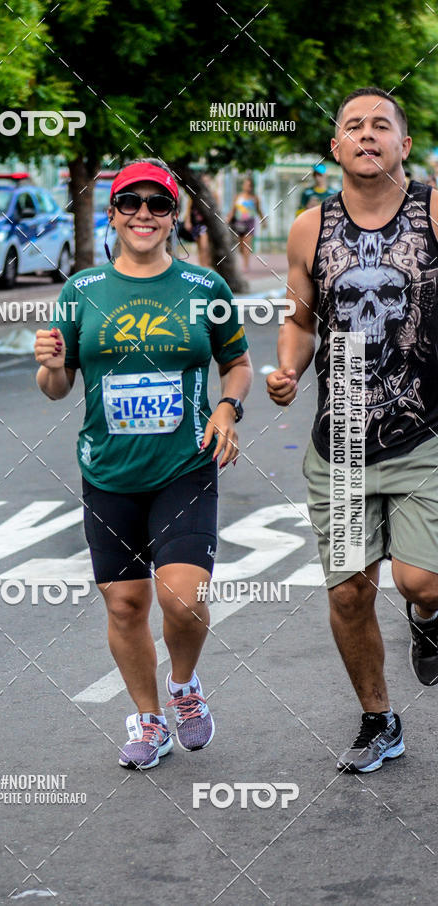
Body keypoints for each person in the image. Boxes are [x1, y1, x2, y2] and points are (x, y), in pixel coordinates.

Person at [35, 158, 253, 770]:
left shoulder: (205, 289)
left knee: (182, 598)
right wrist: (49, 365)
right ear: (113, 214)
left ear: (173, 217)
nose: (144, 214)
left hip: (185, 464)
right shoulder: (82, 291)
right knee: (126, 604)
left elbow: (237, 363)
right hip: (108, 471)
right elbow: (56, 386)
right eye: (130, 203)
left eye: (158, 204)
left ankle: (184, 685)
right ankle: (149, 720)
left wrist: (228, 408)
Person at [267, 86, 438, 774]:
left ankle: (427, 622)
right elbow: (299, 320)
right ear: (334, 146)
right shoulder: (310, 228)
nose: (368, 134)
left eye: (381, 125)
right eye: (354, 126)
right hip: (338, 443)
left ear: (403, 144)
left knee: (423, 582)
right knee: (348, 592)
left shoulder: (433, 211)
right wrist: (287, 367)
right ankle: (378, 720)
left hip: (425, 433)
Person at [228, 176, 266, 273]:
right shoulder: (238, 197)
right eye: (246, 185)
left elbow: (259, 210)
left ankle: (246, 265)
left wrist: (263, 221)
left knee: (246, 244)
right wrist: (227, 219)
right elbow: (233, 210)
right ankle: (243, 257)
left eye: (249, 185)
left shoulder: (255, 198)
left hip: (250, 223)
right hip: (239, 223)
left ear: (252, 187)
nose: (247, 187)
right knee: (240, 246)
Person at [183, 173, 217, 267]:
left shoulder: (213, 195)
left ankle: (206, 266)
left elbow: (217, 210)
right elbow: (189, 209)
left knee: (205, 246)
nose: (206, 183)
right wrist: (187, 221)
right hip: (196, 223)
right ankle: (202, 266)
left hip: (207, 224)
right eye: (204, 181)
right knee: (200, 247)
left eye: (207, 181)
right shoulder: (195, 194)